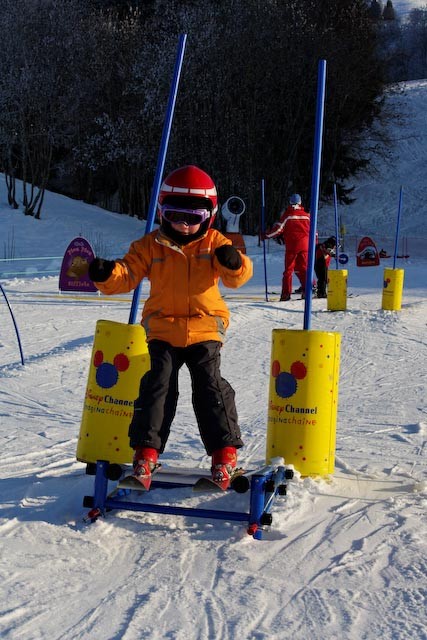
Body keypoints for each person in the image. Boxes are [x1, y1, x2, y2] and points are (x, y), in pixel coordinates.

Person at [88, 165, 253, 486]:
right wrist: (106, 274)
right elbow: (128, 273)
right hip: (163, 329)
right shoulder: (151, 245)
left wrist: (233, 261)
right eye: (176, 215)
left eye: (193, 218)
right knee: (157, 384)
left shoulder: (215, 243)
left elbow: (239, 276)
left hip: (205, 328)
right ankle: (146, 454)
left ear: (209, 216)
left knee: (209, 384)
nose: (184, 225)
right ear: (162, 211)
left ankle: (224, 454)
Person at [264, 194, 311, 301]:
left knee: (288, 271)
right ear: (300, 203)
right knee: (303, 269)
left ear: (290, 202)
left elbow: (278, 230)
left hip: (292, 246)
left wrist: (266, 235)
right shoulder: (307, 215)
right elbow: (314, 231)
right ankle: (306, 291)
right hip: (305, 246)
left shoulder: (288, 215)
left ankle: (286, 294)